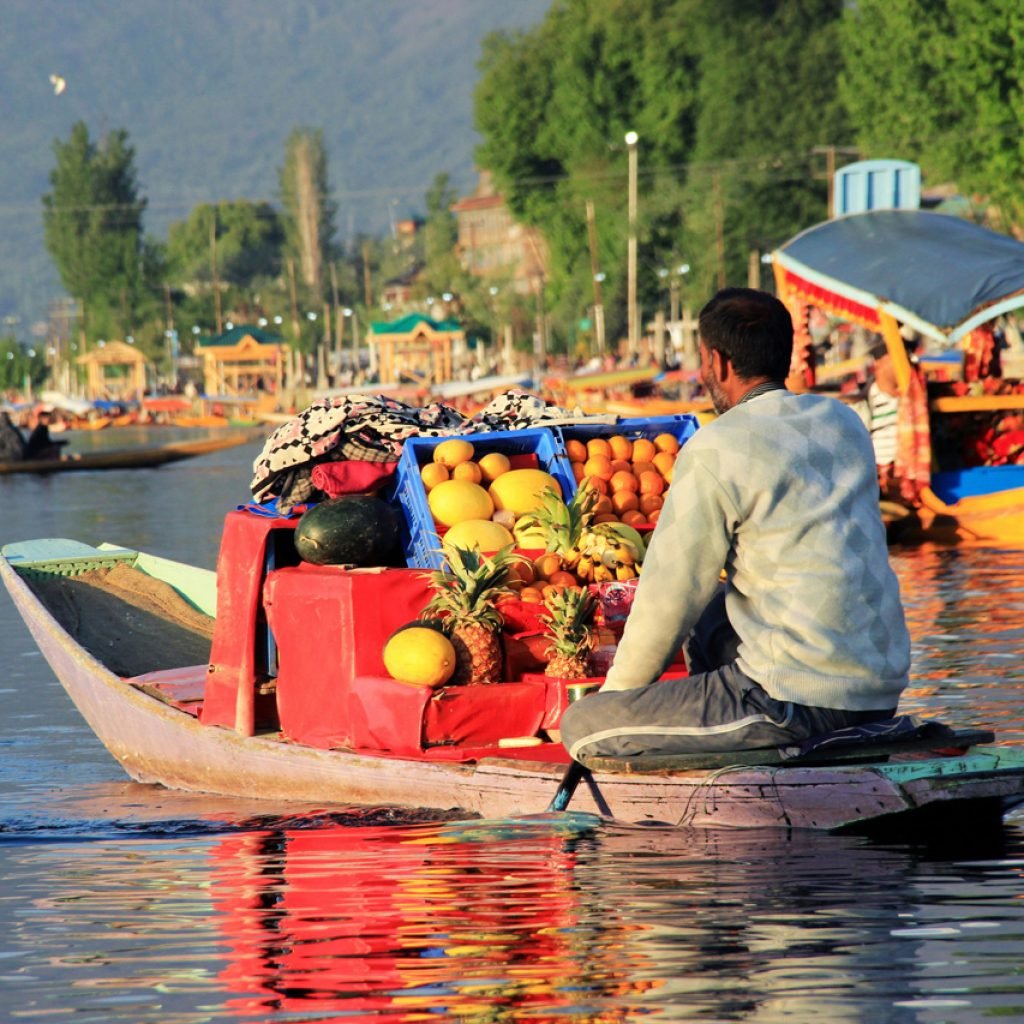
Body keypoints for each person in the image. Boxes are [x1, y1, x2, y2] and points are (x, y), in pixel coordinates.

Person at [560, 288, 911, 760]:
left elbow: (668, 596)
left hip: (793, 701)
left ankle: (753, 748)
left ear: (717, 362)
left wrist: (617, 700)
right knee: (709, 614)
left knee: (582, 726)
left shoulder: (716, 447)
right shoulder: (843, 422)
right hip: (878, 692)